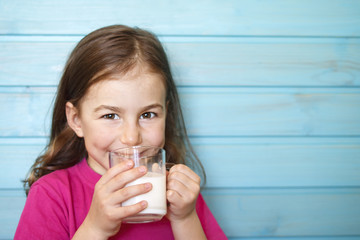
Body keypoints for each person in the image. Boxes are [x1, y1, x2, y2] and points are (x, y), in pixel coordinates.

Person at [14, 24, 227, 240]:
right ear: (76, 120)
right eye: (110, 116)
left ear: (166, 114)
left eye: (148, 115)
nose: (132, 138)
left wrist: (185, 219)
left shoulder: (181, 195)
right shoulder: (52, 194)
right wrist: (95, 229)